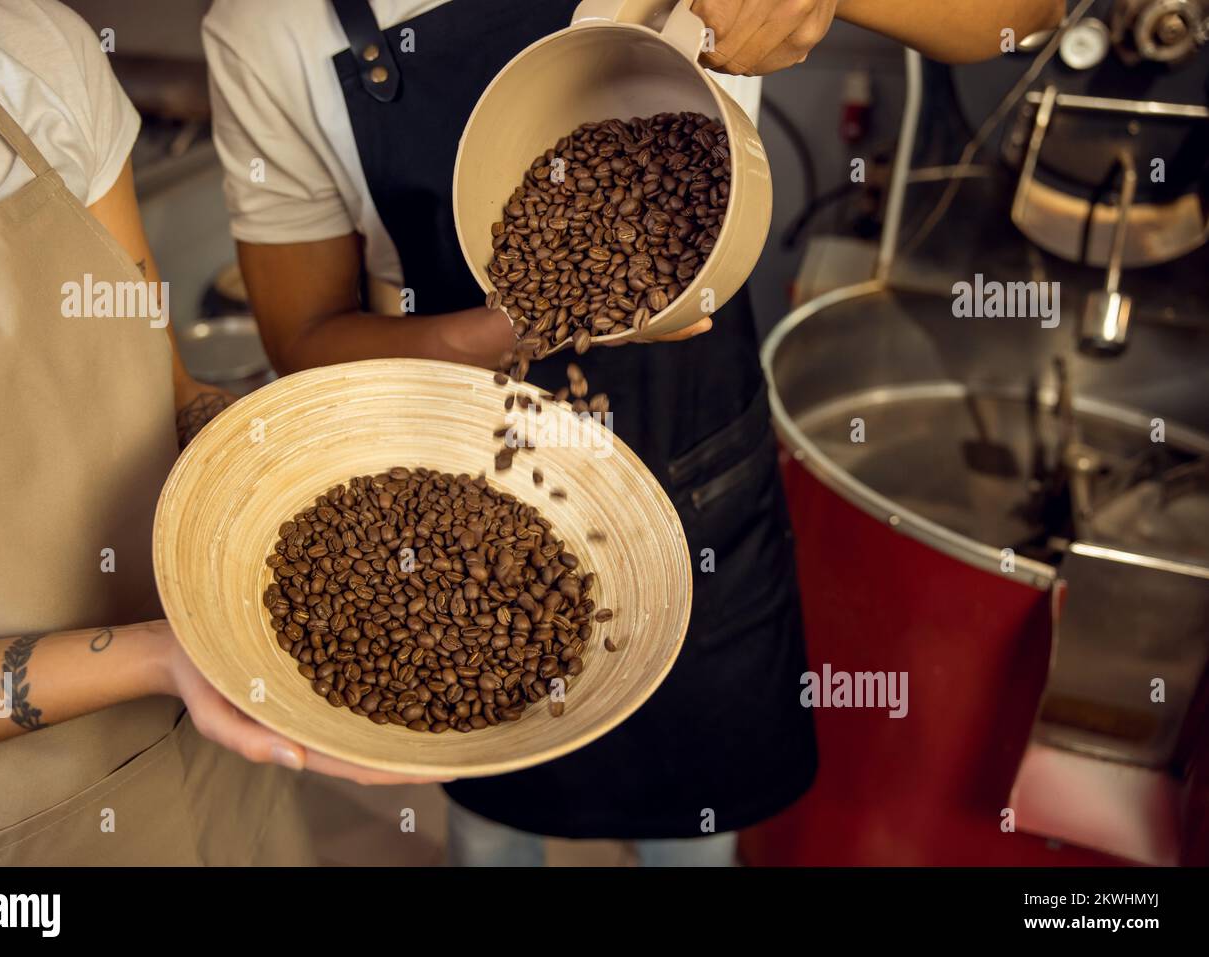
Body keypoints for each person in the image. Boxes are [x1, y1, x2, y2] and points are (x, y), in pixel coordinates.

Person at [203, 0, 1066, 865]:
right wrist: (513, 326)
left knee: (696, 836)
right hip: (469, 496)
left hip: (705, 485)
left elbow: (1027, 14)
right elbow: (305, 339)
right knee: (496, 822)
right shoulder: (263, 26)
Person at [0, 0, 435, 868]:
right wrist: (153, 656)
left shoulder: (35, 48)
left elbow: (165, 382)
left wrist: (267, 452)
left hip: (215, 719)